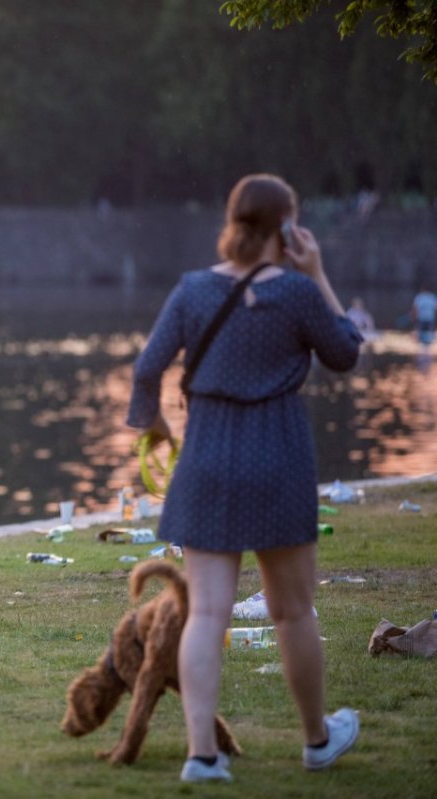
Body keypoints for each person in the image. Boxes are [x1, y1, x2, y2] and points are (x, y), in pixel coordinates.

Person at [127, 174, 363, 783]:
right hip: (278, 460)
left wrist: (155, 432)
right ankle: (315, 741)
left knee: (207, 613)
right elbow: (345, 352)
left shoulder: (192, 290)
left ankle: (202, 756)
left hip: (205, 460)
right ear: (286, 227)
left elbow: (147, 369)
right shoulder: (297, 293)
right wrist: (317, 273)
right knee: (291, 612)